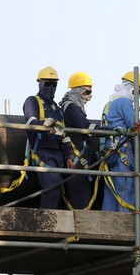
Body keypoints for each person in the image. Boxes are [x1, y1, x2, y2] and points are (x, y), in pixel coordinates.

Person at [22, 66, 75, 209]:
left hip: (58, 154)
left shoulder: (57, 109)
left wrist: (69, 155)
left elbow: (64, 135)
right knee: (52, 187)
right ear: (40, 83)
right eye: (47, 83)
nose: (51, 87)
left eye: (54, 84)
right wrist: (43, 124)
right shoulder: (32, 101)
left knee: (59, 188)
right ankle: (47, 221)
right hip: (43, 152)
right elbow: (29, 122)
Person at [101, 71, 140, 212]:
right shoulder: (124, 102)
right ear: (133, 88)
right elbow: (135, 124)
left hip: (110, 150)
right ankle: (125, 224)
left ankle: (106, 223)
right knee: (125, 188)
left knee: (111, 191)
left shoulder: (110, 103)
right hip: (122, 150)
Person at [60, 71, 96, 209]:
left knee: (83, 196)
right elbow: (85, 126)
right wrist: (109, 130)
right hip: (76, 160)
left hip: (80, 159)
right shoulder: (70, 107)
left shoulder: (74, 107)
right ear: (77, 90)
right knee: (79, 198)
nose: (89, 96)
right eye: (87, 92)